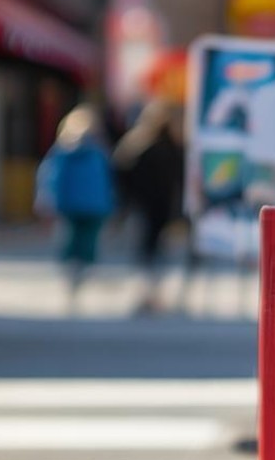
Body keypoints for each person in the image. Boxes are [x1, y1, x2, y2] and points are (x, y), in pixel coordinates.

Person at [37, 105, 116, 308]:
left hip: (69, 205)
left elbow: (51, 179)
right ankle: (81, 275)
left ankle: (72, 278)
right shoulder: (99, 152)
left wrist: (47, 203)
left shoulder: (62, 152)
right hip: (94, 207)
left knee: (70, 242)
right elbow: (107, 181)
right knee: (87, 243)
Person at [114, 101, 187, 316]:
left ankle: (147, 294)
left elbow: (121, 175)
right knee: (156, 253)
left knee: (145, 252)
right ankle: (151, 294)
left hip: (144, 208)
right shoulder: (172, 147)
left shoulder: (137, 145)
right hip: (159, 207)